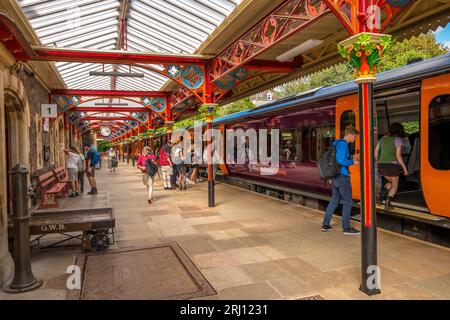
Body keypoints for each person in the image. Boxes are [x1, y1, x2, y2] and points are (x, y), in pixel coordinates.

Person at [321, 126, 360, 235]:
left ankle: (325, 224)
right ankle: (346, 228)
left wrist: (351, 158)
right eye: (355, 136)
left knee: (335, 199)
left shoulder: (336, 143)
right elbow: (340, 160)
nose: (355, 139)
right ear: (350, 134)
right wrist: (353, 162)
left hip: (335, 176)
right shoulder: (343, 144)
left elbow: (337, 158)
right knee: (348, 202)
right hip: (342, 176)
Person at [375, 122, 409, 210]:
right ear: (400, 130)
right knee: (395, 185)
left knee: (390, 182)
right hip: (392, 166)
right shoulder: (397, 139)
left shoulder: (382, 139)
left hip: (381, 166)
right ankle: (387, 203)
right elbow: (398, 156)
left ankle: (380, 196)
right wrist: (405, 169)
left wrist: (378, 163)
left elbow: (375, 152)